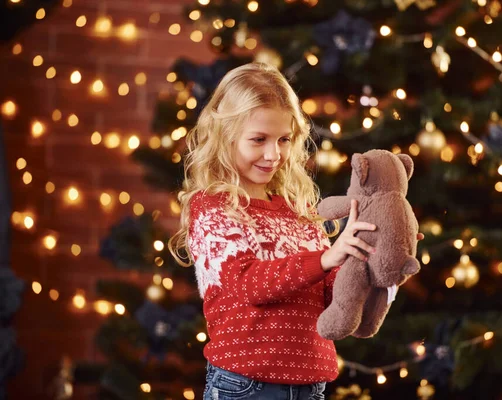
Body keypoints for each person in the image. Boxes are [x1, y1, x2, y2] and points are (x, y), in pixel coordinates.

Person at [168, 63, 421, 400]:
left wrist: (379, 258)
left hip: (310, 386)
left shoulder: (296, 211)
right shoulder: (212, 207)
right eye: (259, 140)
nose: (274, 154)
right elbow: (248, 285)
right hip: (246, 386)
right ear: (225, 135)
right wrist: (328, 256)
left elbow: (331, 296)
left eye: (284, 139)